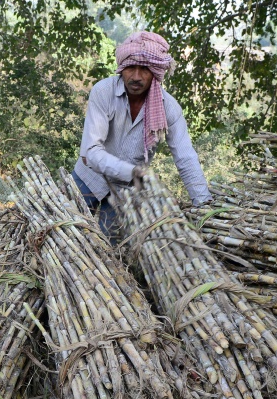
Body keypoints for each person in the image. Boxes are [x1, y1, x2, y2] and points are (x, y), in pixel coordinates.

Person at [71, 30, 212, 241]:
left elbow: (185, 158)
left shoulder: (169, 108)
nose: (136, 77)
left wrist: (204, 207)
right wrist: (133, 173)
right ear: (121, 67)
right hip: (87, 179)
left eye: (144, 69)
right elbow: (90, 152)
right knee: (66, 232)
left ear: (155, 72)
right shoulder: (103, 91)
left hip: (122, 193)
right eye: (130, 68)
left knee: (107, 249)